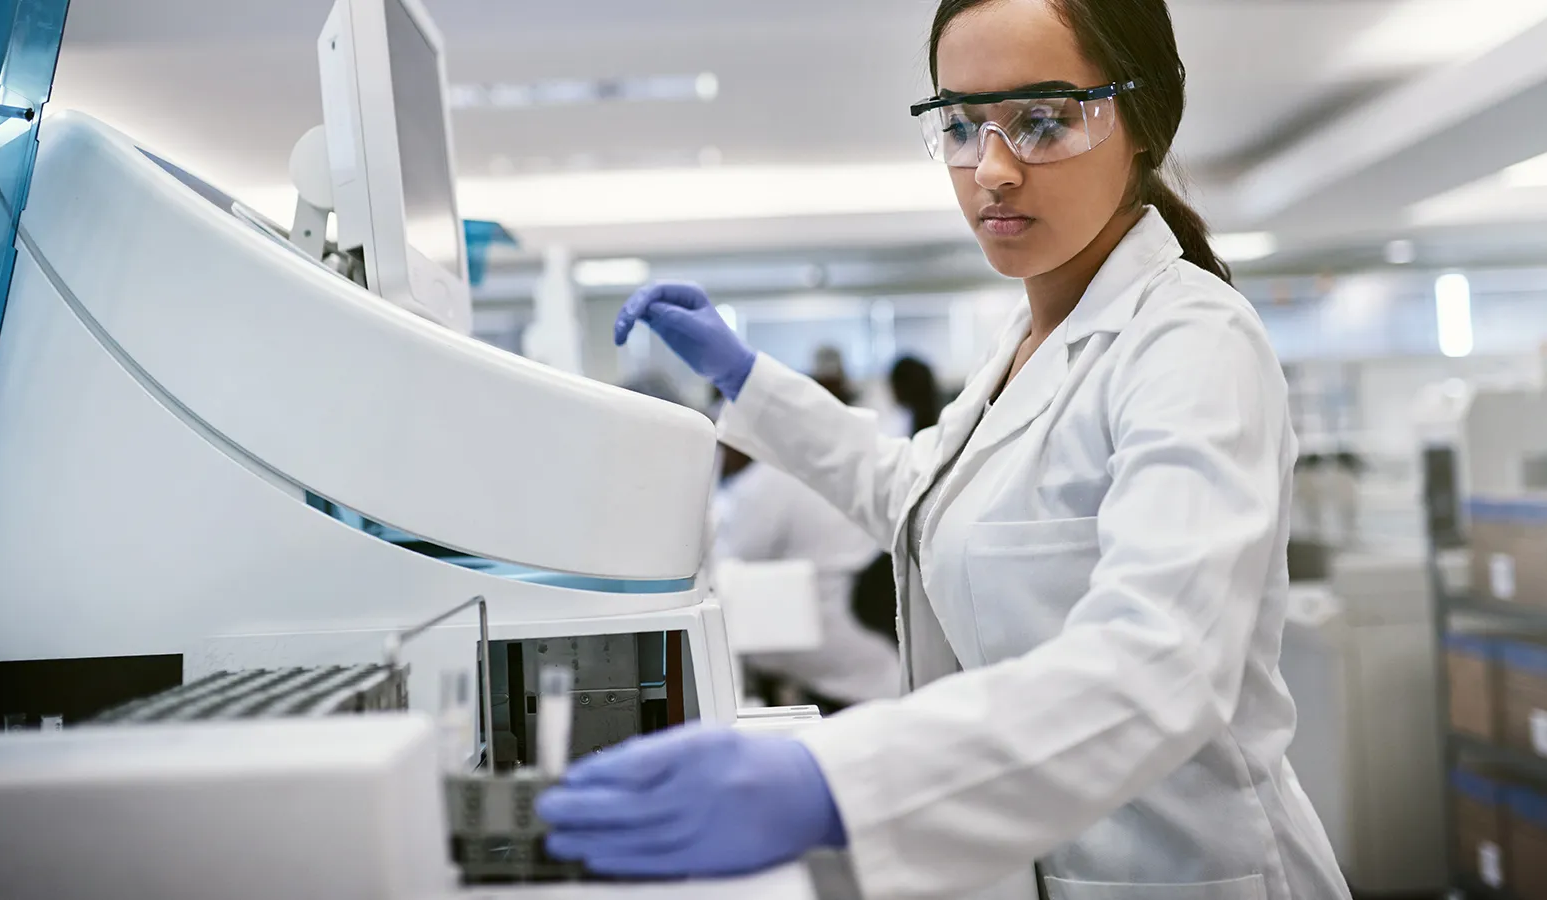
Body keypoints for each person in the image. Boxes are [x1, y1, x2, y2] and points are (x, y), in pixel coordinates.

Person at [538, 1, 1348, 897]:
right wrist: (748, 380)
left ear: (1144, 118)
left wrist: (835, 784)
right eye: (962, 125)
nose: (991, 171)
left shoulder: (1193, 343)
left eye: (1042, 121)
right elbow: (916, 494)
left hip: (1188, 871)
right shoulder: (1027, 342)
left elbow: (1161, 662)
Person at [713, 413, 903, 711]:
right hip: (859, 610)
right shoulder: (798, 468)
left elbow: (730, 559)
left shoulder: (766, 482)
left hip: (828, 620)